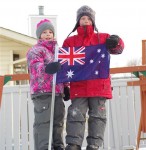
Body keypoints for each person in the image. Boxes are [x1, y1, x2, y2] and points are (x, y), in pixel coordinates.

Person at [62, 5, 124, 150]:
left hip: (99, 86)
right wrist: (65, 86)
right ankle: (73, 145)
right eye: (83, 18)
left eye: (88, 18)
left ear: (93, 21)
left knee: (98, 117)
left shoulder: (103, 38)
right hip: (79, 87)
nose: (86, 21)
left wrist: (117, 42)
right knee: (75, 116)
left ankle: (94, 145)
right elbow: (64, 65)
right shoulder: (70, 42)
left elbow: (118, 49)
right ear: (78, 21)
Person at [26, 19, 66, 150]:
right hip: (42, 92)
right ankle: (44, 147)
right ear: (39, 35)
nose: (48, 34)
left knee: (58, 121)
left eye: (50, 32)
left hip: (57, 91)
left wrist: (66, 86)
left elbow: (63, 71)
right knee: (44, 122)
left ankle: (58, 145)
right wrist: (47, 67)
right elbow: (35, 67)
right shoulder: (36, 50)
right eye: (44, 32)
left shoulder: (57, 51)